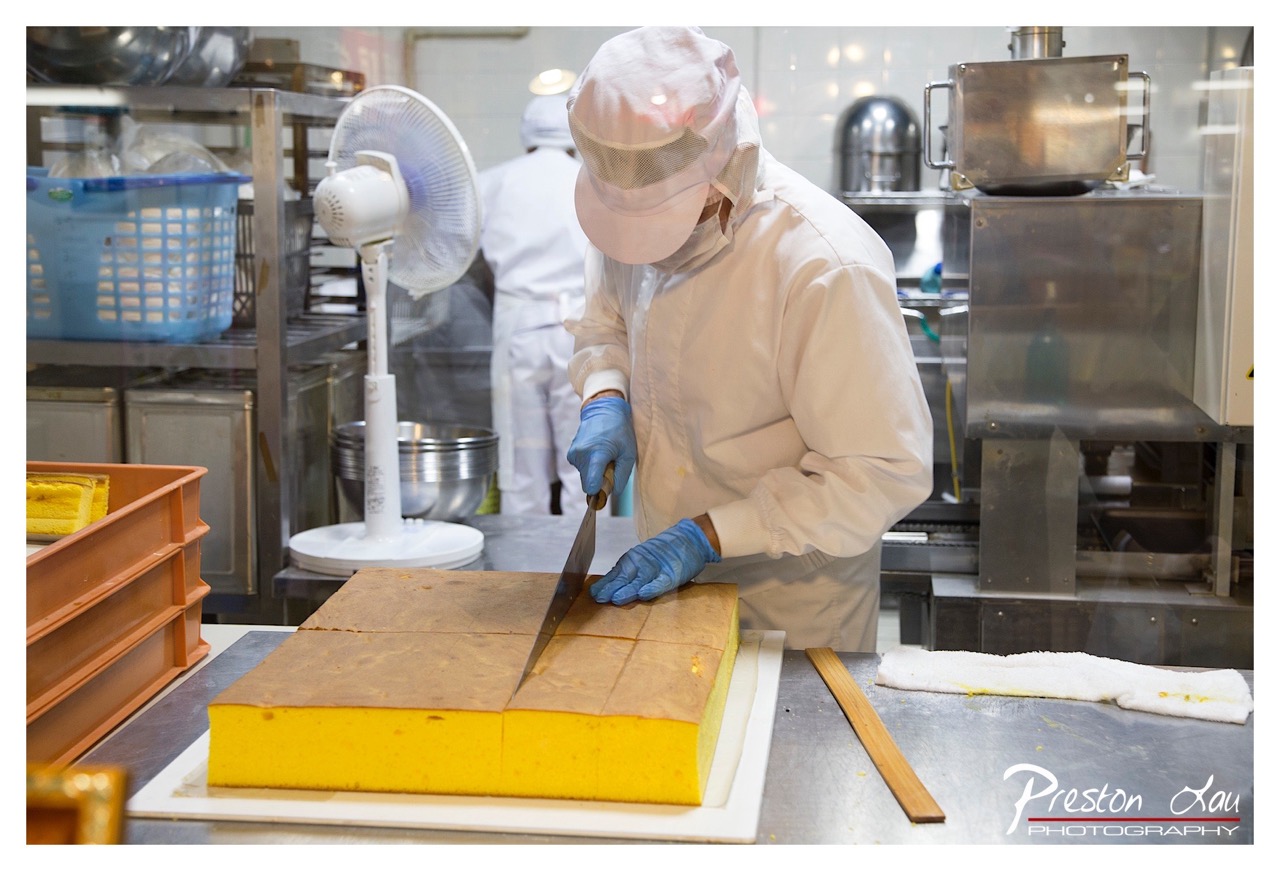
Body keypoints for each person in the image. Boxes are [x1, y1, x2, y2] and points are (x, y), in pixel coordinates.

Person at [563, 27, 933, 651]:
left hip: (793, 609)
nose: (649, 251)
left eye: (667, 225)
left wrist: (708, 535)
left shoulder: (824, 264)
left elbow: (881, 472)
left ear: (722, 177)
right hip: (662, 590)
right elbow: (607, 320)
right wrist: (605, 395)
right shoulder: (627, 203)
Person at [479, 93, 589, 515]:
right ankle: (590, 549)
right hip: (577, 327)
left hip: (518, 328)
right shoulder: (590, 180)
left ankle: (524, 553)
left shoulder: (495, 181)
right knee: (583, 456)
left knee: (521, 460)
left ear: (526, 138)